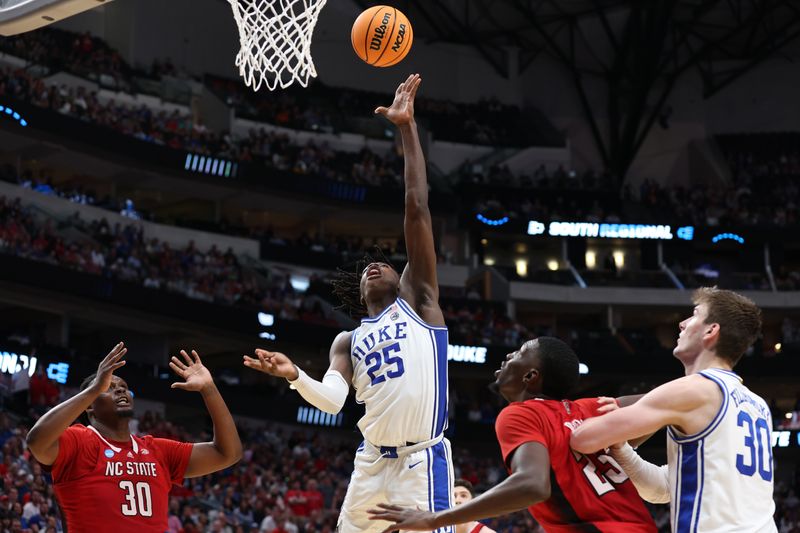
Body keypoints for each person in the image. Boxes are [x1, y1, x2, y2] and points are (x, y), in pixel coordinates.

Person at [243, 74, 454, 533]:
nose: (373, 267)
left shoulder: (420, 301)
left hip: (422, 461)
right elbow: (335, 402)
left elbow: (417, 207)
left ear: (403, 280)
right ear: (359, 293)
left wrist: (406, 128)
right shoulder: (348, 339)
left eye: (383, 264)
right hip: (370, 466)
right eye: (365, 270)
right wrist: (296, 375)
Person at [367, 336, 657, 532]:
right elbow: (665, 403)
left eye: (519, 353)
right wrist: (624, 443)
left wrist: (435, 518)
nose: (508, 355)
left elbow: (533, 486)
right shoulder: (591, 408)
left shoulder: (521, 413)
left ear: (531, 377)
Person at [570, 287, 777, 532]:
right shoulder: (757, 404)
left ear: (711, 330)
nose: (682, 324)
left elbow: (582, 439)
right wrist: (620, 448)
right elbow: (664, 489)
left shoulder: (695, 390)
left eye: (694, 315)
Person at [25, 342, 242, 532]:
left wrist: (210, 389)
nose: (120, 391)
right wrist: (93, 389)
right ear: (90, 407)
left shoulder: (158, 451)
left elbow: (227, 453)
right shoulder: (80, 441)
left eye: (124, 388)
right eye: (109, 388)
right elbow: (37, 441)